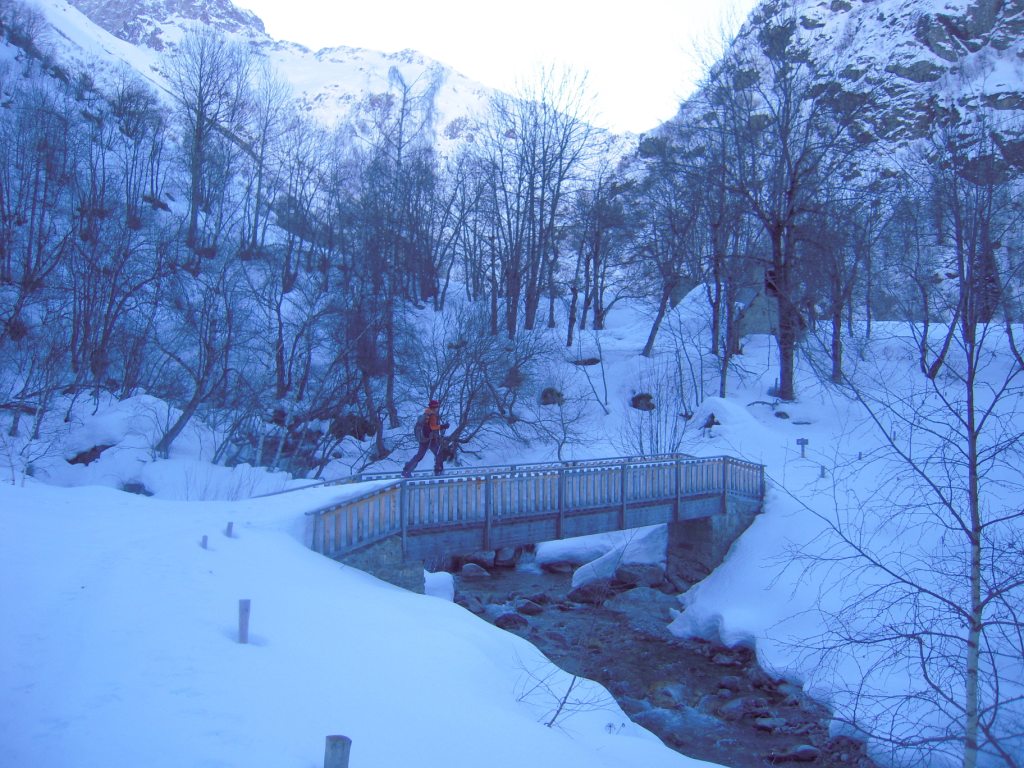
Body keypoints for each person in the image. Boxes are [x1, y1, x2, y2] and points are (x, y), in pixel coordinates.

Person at [402, 399, 449, 477]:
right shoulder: (432, 415)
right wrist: (442, 426)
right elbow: (433, 427)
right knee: (438, 453)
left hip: (424, 438)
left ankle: (407, 469)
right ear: (435, 407)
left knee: (420, 455)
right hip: (430, 439)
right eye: (437, 407)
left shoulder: (426, 413)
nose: (437, 408)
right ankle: (438, 470)